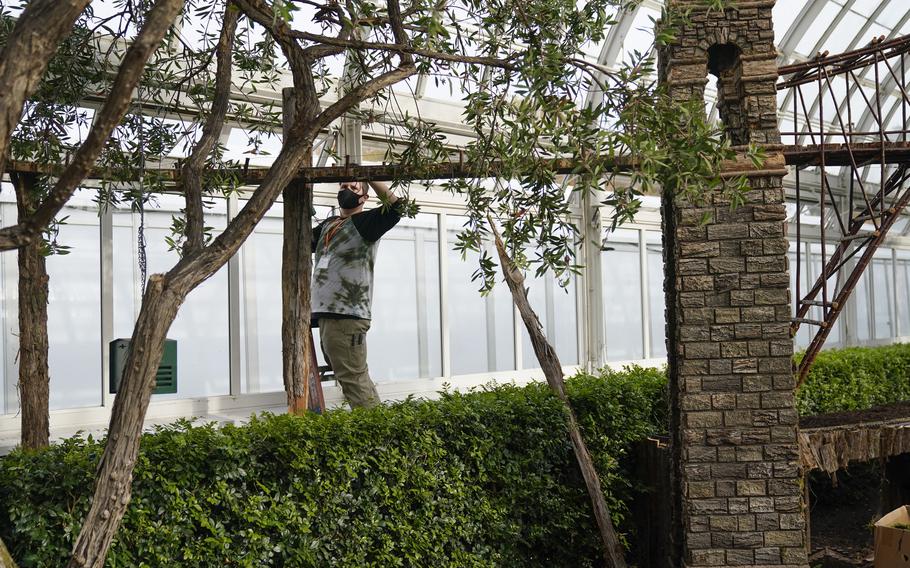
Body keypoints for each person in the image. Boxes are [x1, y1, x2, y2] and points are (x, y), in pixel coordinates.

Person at [311, 179, 404, 408]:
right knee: (351, 375)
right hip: (327, 312)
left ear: (365, 198)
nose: (346, 190)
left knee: (353, 377)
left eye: (353, 188)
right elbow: (302, 238)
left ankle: (378, 436)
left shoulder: (366, 222)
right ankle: (378, 427)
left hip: (347, 314)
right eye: (342, 186)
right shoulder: (330, 224)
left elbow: (397, 208)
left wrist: (369, 176)